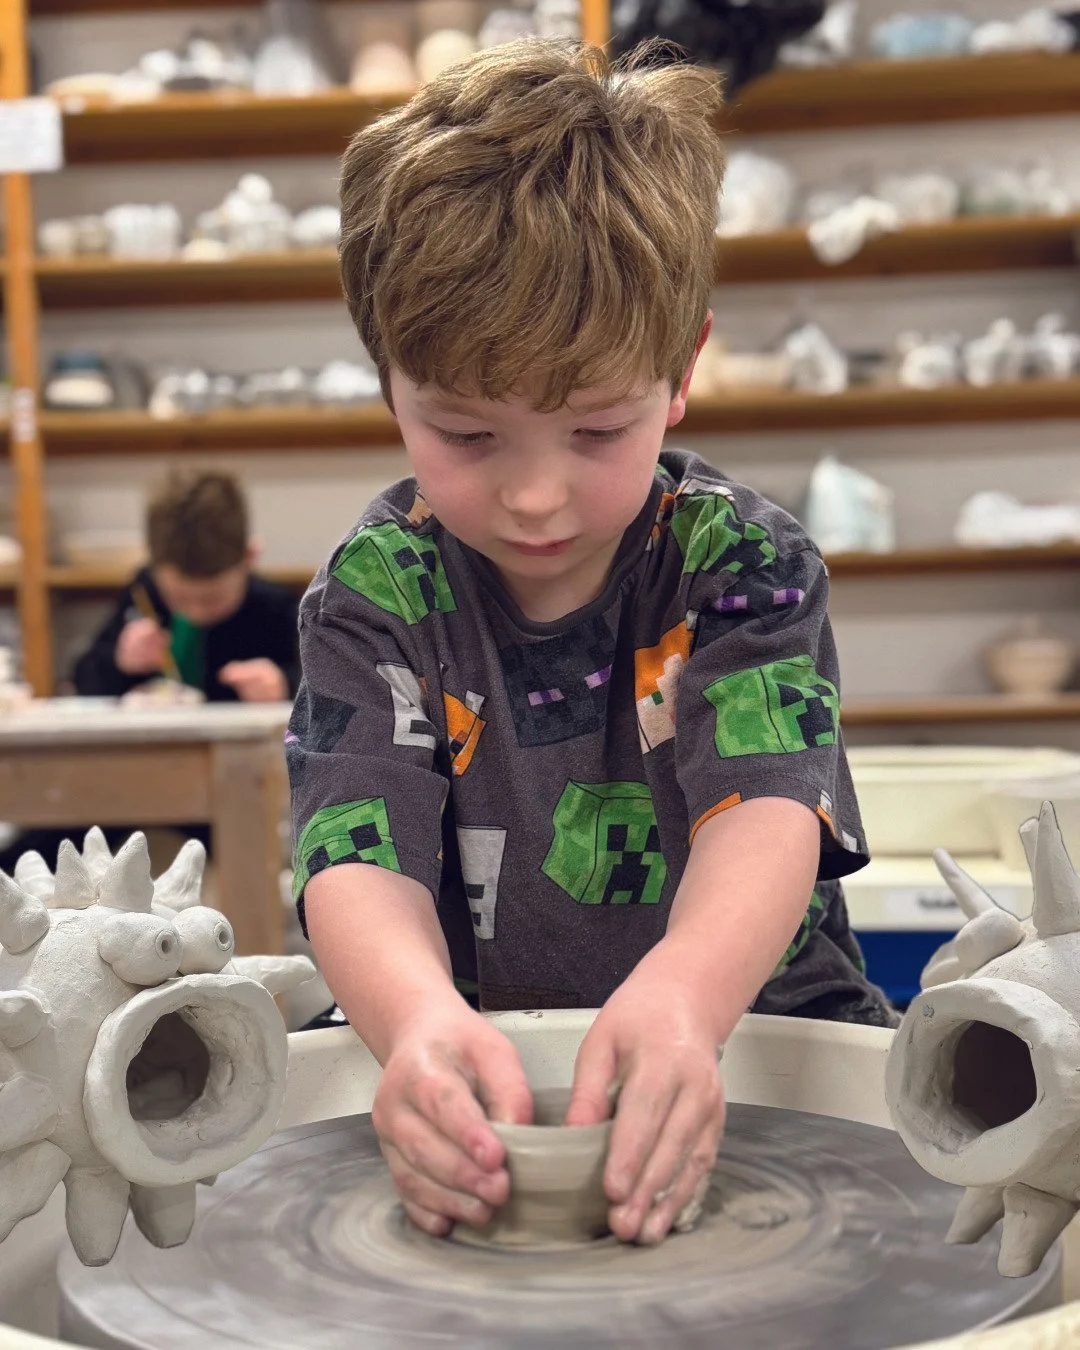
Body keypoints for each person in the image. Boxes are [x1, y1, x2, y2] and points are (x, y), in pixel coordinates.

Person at [287, 39, 893, 1254]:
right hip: (476, 1042)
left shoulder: (739, 564)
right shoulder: (377, 588)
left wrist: (682, 996)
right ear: (389, 387)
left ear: (681, 373)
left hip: (752, 1022)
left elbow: (764, 814)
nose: (534, 496)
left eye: (593, 428)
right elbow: (358, 850)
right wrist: (410, 1023)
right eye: (467, 434)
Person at [74, 471, 300, 703]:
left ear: (249, 558)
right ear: (152, 566)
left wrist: (286, 685)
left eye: (212, 599)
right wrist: (120, 661)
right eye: (178, 598)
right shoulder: (144, 593)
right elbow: (83, 681)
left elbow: (326, 689)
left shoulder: (275, 606)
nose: (195, 613)